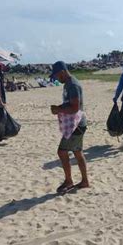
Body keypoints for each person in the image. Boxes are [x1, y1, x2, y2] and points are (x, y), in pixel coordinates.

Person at [50, 61, 89, 193]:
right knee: (78, 152)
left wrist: (58, 109)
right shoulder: (68, 84)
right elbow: (70, 104)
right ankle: (84, 181)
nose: (56, 78)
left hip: (76, 126)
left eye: (56, 76)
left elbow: (75, 107)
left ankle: (69, 181)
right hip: (77, 124)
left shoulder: (72, 85)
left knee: (62, 151)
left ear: (62, 72)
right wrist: (60, 108)